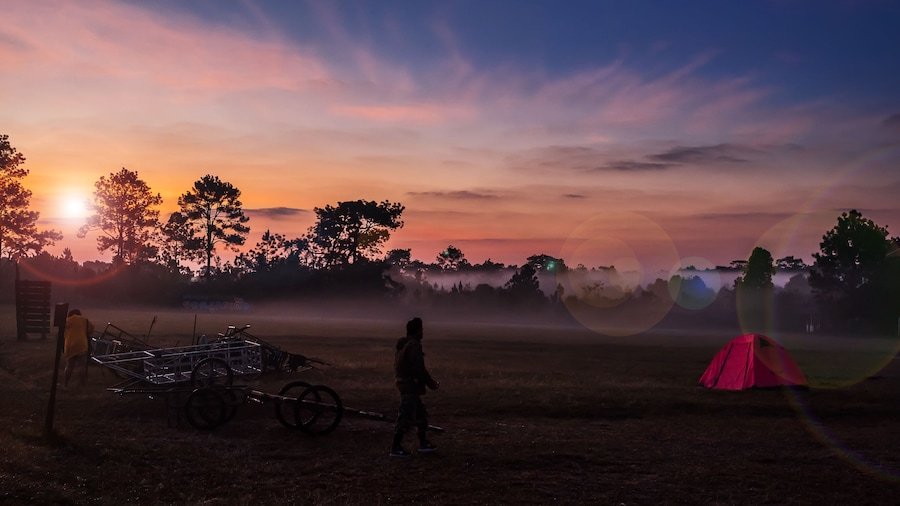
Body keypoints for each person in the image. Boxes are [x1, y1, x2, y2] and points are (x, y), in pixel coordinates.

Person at [390, 317, 439, 457]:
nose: (423, 332)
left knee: (421, 414)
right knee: (405, 416)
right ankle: (395, 447)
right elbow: (419, 369)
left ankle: (423, 443)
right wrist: (431, 383)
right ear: (417, 331)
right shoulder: (413, 346)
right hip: (410, 385)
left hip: (406, 384)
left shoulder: (404, 344)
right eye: (421, 330)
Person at [63, 309, 94, 388]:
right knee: (81, 366)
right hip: (81, 344)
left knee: (69, 366)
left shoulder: (66, 321)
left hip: (69, 345)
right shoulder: (84, 320)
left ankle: (66, 384)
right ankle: (82, 384)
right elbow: (91, 329)